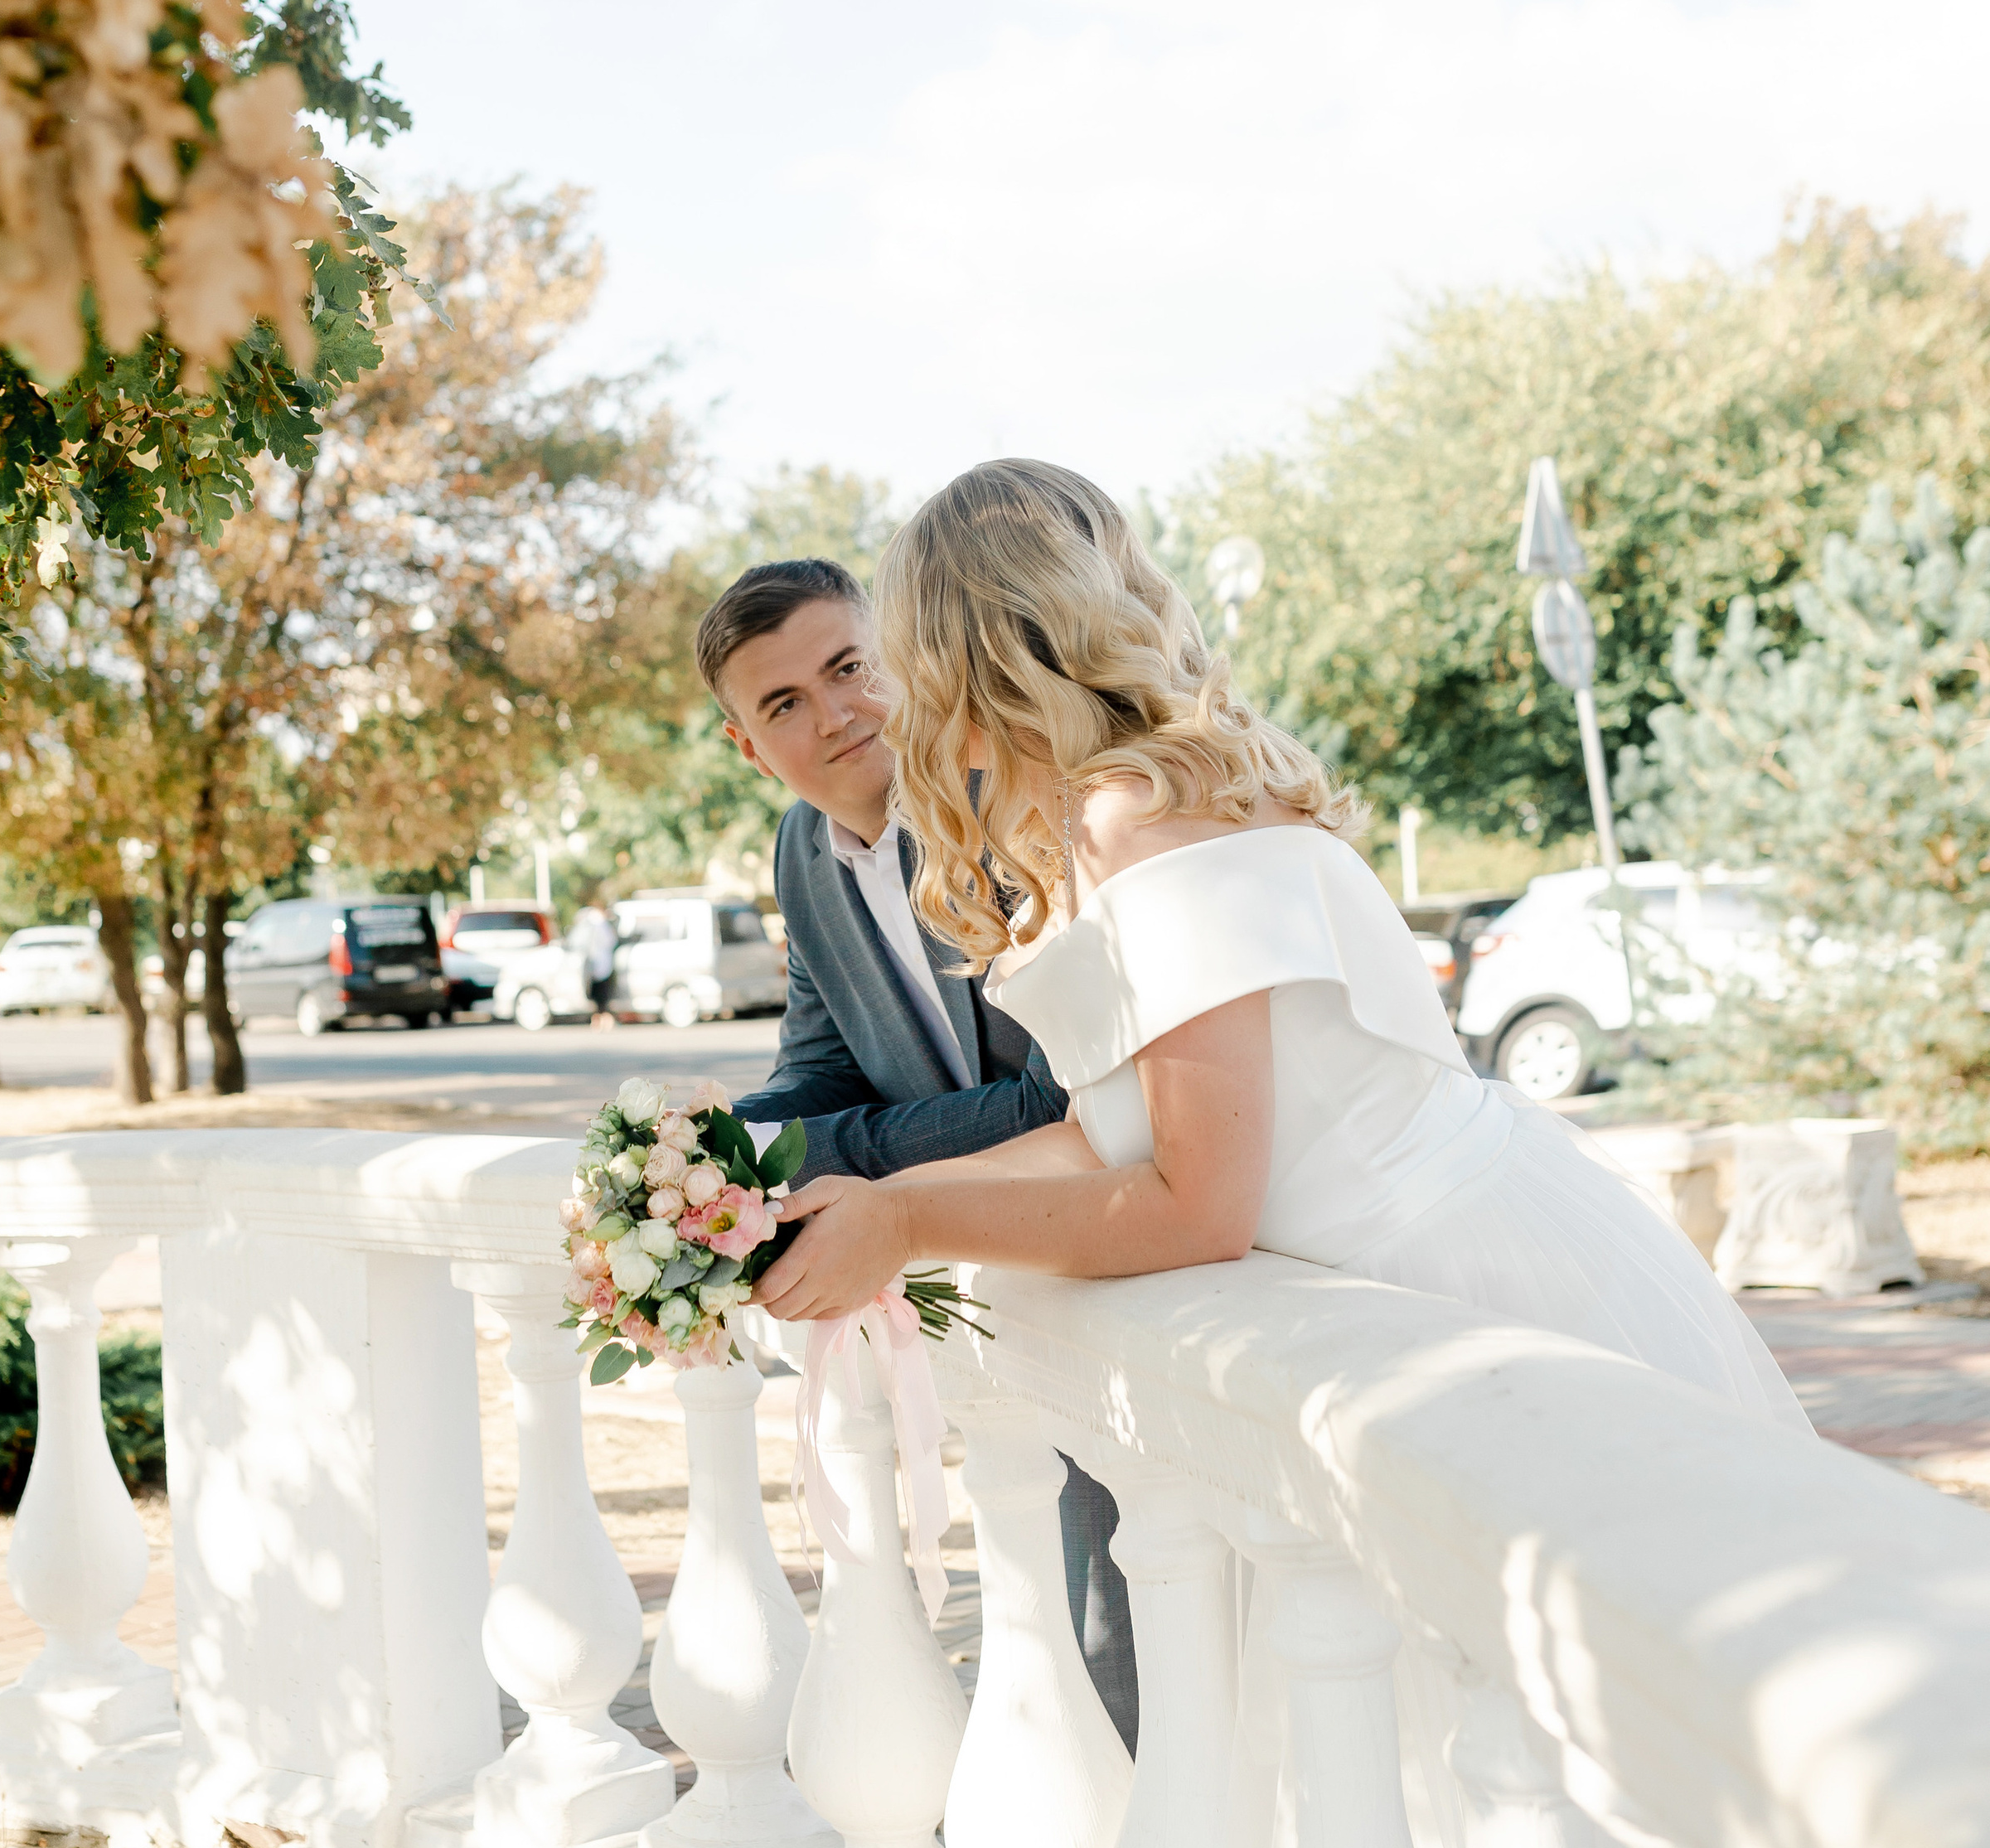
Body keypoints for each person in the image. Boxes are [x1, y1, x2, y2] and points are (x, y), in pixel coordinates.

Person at [754, 462, 1810, 1462]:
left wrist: (903, 1221)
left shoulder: (1137, 822)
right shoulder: (1115, 805)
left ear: (963, 657)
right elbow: (1098, 1135)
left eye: (892, 656)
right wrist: (858, 1204)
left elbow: (1197, 1207)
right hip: (1389, 1279)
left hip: (1439, 1284)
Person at [697, 555, 1140, 1746]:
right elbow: (818, 1071)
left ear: (897, 659)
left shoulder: (1005, 798)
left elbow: (1059, 1096)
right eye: (782, 703)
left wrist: (836, 1153)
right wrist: (711, 1157)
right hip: (1007, 1279)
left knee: (1137, 1612)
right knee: (1065, 1613)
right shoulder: (804, 856)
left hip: (1134, 1240)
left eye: (848, 668)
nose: (832, 714)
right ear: (750, 746)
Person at [572, 895, 619, 1028]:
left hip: (591, 963)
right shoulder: (601, 924)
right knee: (603, 994)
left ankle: (598, 1019)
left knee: (596, 993)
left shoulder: (587, 922)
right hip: (603, 962)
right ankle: (602, 1019)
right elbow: (610, 941)